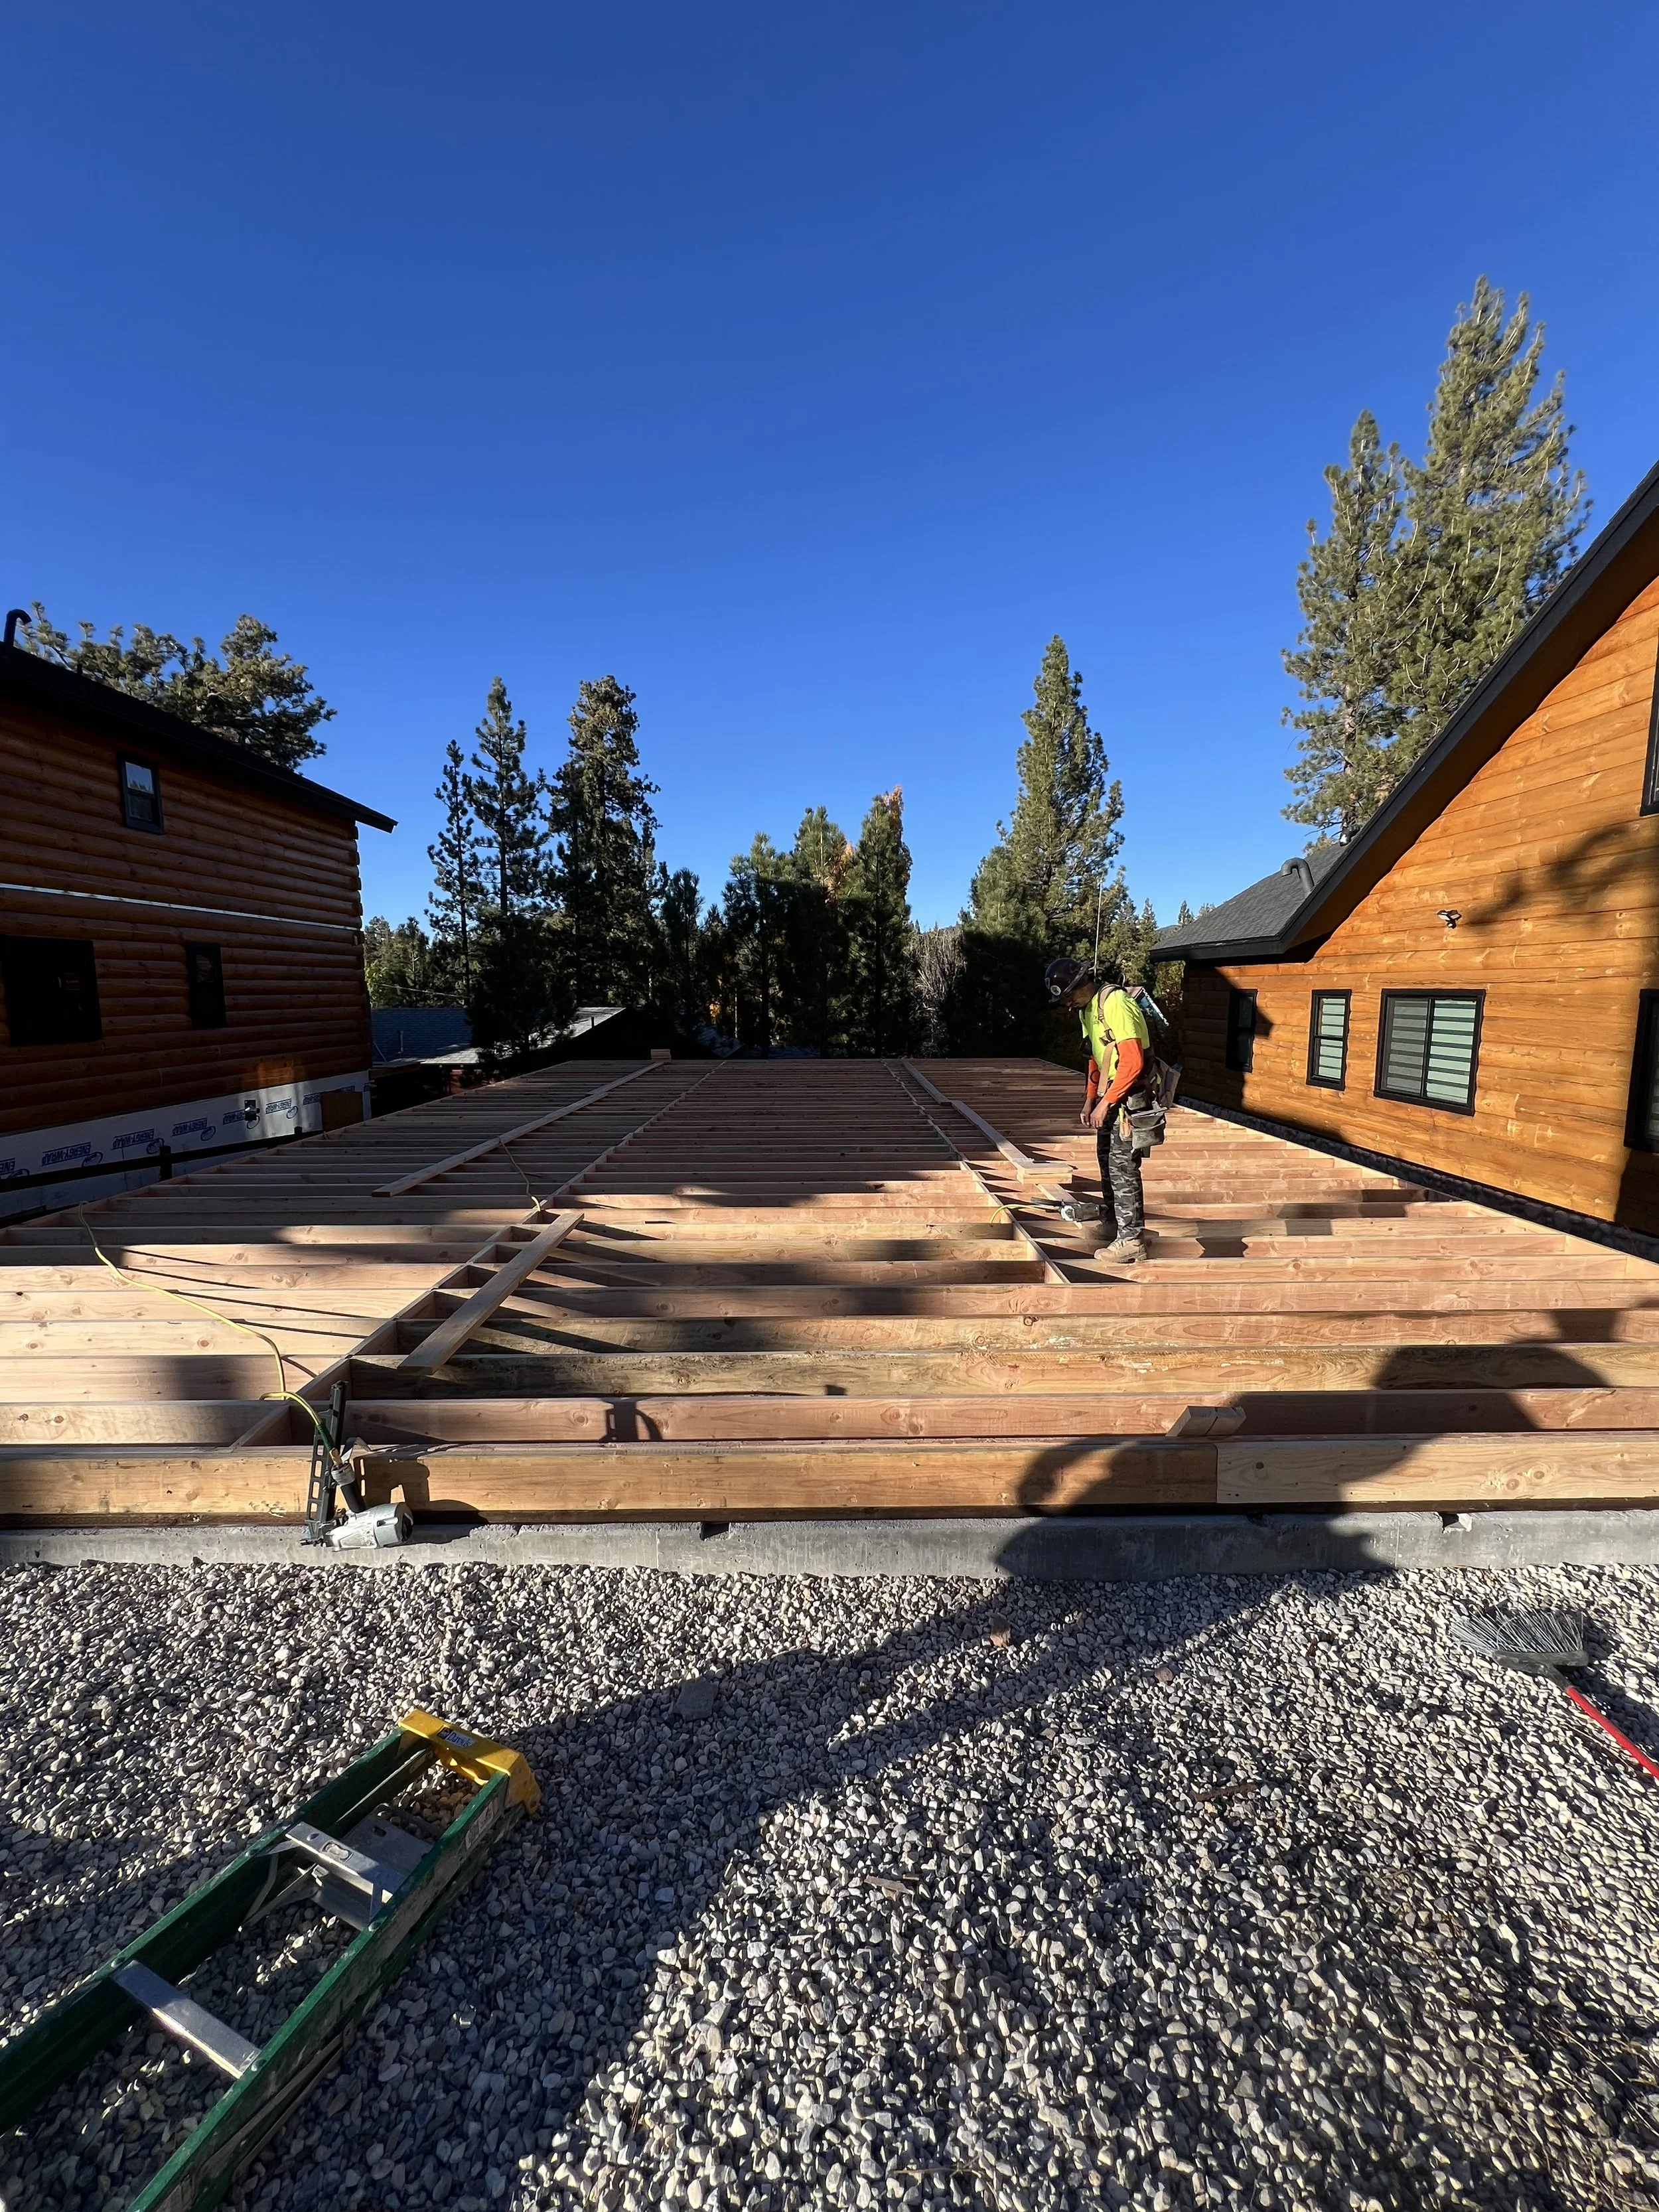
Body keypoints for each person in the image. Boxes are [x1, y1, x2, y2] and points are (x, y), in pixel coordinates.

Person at [1043, 955, 1153, 1263]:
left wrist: (1106, 1102)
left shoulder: (1115, 1003)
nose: (1066, 1005)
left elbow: (1133, 1061)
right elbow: (1096, 1057)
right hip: (1111, 1095)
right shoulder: (1088, 1011)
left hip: (1130, 1098)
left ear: (1080, 986)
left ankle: (1132, 1241)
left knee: (1123, 1167)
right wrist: (1091, 1098)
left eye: (1067, 998)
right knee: (1106, 1160)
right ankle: (1115, 1224)